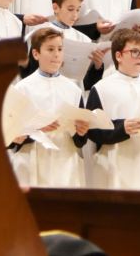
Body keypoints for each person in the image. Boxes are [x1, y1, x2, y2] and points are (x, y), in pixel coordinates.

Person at [84, 27, 140, 190]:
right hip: (117, 163)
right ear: (118, 55)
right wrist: (122, 128)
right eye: (134, 52)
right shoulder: (101, 88)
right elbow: (92, 131)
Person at [7, 27, 89, 189]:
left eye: (60, 49)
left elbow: (81, 141)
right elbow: (11, 135)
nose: (56, 54)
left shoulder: (73, 89)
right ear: (36, 54)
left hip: (65, 160)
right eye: (50, 49)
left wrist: (82, 131)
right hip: (32, 159)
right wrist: (37, 128)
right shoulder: (23, 88)